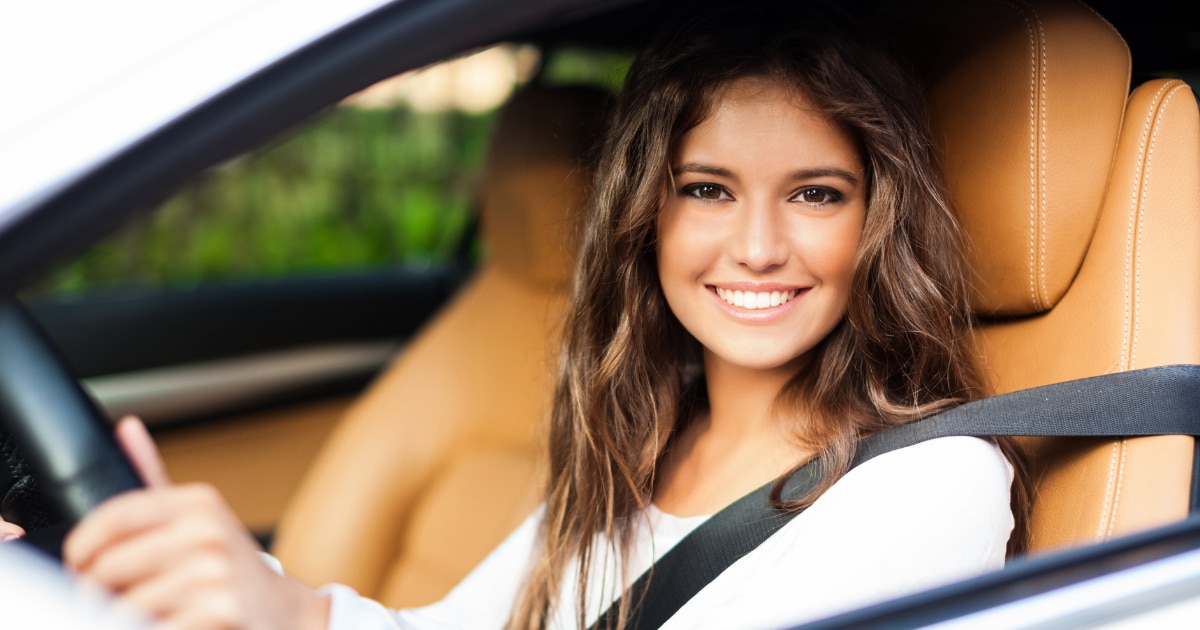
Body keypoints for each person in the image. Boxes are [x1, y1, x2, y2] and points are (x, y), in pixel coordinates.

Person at [2, 3, 1030, 628]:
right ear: (646, 218)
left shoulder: (934, 485)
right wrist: (224, 588)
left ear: (879, 220)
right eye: (707, 188)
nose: (756, 246)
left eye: (816, 193)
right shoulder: (648, 433)